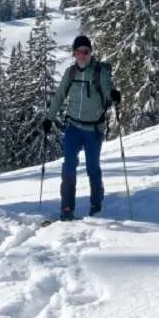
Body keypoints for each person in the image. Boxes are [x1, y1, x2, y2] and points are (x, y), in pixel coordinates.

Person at [40, 34, 120, 221]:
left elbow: (108, 91)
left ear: (90, 53)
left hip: (93, 129)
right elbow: (59, 96)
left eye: (86, 52)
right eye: (79, 52)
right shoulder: (70, 73)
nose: (82, 56)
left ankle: (96, 205)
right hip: (73, 127)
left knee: (93, 167)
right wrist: (49, 118)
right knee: (68, 166)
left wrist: (114, 96)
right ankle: (67, 208)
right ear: (74, 54)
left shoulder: (100, 72)